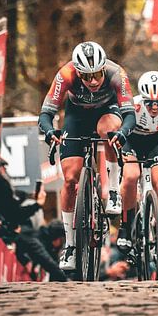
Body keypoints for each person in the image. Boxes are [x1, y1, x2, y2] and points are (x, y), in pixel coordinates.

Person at [38, 41, 135, 272]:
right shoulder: (66, 74)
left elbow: (130, 114)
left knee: (108, 131)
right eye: (86, 77)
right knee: (70, 179)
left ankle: (113, 191)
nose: (93, 81)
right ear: (78, 72)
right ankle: (71, 245)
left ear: (104, 68)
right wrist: (50, 131)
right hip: (76, 117)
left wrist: (122, 133)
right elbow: (45, 114)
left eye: (97, 75)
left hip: (107, 112)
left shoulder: (116, 74)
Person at [118, 71, 158, 272]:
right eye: (149, 103)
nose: (155, 107)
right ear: (143, 100)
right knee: (131, 176)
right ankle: (126, 227)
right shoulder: (133, 105)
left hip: (157, 141)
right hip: (132, 140)